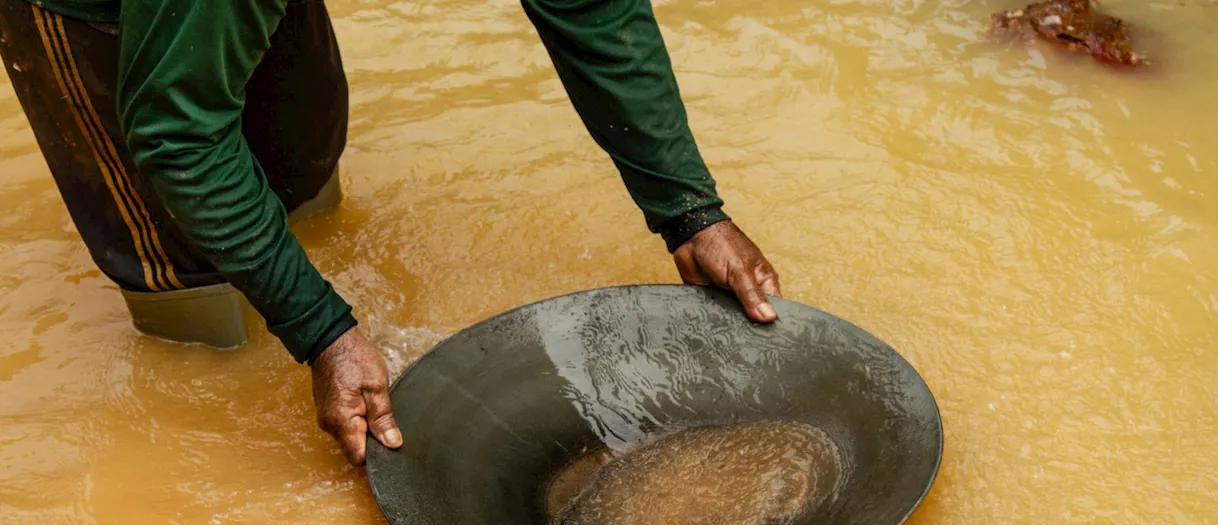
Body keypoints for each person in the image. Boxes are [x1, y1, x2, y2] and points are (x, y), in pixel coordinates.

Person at [0, 0, 783, 466]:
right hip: (93, 18)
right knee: (198, 300)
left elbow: (592, 10)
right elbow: (175, 134)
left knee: (303, 175)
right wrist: (322, 334)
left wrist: (688, 209)